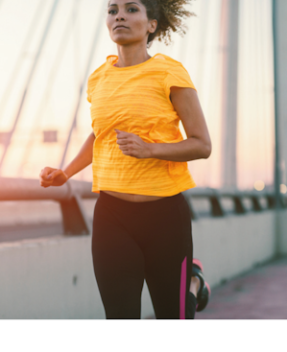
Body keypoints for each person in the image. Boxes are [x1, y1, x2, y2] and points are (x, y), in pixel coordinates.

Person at [39, 0, 211, 319]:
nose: (119, 15)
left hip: (165, 216)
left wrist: (150, 149)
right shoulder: (98, 79)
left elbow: (202, 145)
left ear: (152, 25)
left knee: (174, 319)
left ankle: (194, 284)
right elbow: (100, 136)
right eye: (112, 9)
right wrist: (66, 173)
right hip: (112, 215)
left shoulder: (169, 71)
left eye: (131, 9)